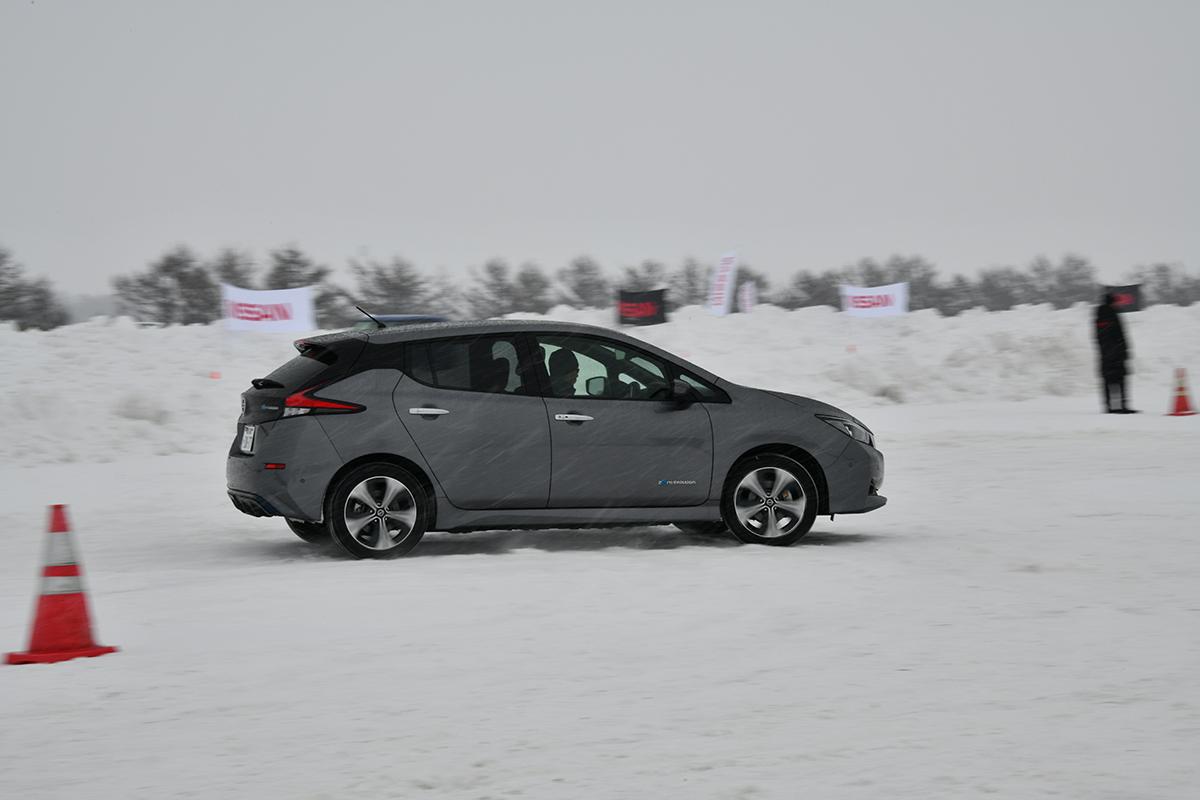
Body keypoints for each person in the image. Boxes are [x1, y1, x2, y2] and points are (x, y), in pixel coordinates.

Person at [1094, 292, 1136, 413]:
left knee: (1109, 380)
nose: (1118, 304)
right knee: (1119, 380)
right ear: (1112, 302)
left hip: (1106, 354)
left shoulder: (1099, 316)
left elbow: (1099, 337)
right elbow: (1118, 335)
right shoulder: (1111, 315)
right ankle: (1121, 406)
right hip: (1115, 354)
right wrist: (1122, 350)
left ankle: (1110, 407)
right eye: (1116, 302)